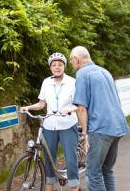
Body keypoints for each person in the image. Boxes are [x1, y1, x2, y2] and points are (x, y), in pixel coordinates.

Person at [69, 46, 130, 191]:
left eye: (71, 60)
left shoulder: (82, 74)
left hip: (100, 128)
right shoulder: (105, 72)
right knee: (107, 170)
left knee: (93, 173)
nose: (71, 64)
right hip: (118, 127)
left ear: (76, 60)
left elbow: (82, 108)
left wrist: (85, 133)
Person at [20, 52, 79, 191]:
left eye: (60, 64)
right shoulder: (47, 82)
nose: (57, 67)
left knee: (70, 158)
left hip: (67, 124)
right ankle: (49, 187)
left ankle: (74, 187)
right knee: (48, 158)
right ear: (50, 67)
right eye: (54, 65)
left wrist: (70, 109)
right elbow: (42, 104)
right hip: (49, 125)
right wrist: (28, 108)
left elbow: (78, 104)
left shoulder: (72, 82)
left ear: (64, 66)